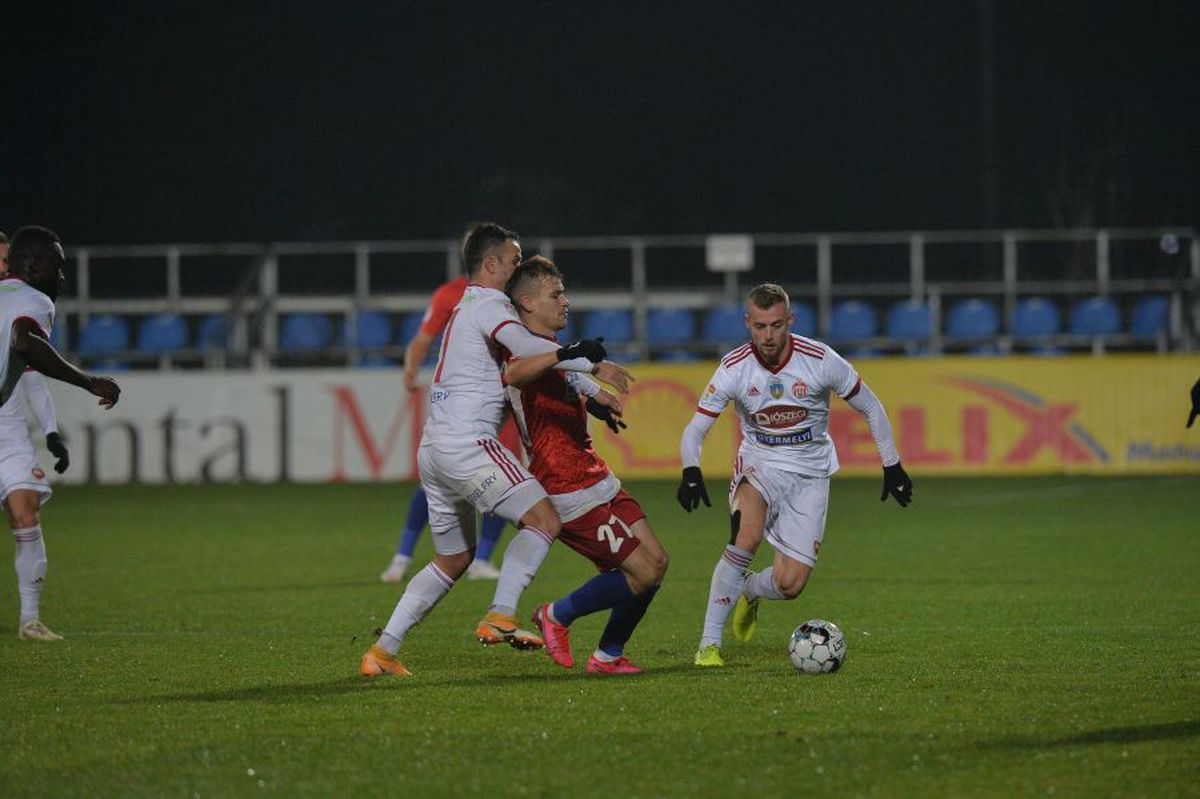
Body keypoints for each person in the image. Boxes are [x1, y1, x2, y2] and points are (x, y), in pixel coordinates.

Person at [360, 223, 629, 677]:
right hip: (469, 442)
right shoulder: (491, 303)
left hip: (435, 448)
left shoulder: (468, 306)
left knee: (453, 558)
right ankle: (501, 615)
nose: (517, 265)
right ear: (490, 264)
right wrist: (592, 360)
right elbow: (527, 352)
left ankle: (382, 652)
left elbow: (533, 362)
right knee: (544, 518)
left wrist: (586, 384)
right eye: (513, 258)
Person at [677, 283, 912, 667]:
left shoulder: (820, 360)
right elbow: (695, 429)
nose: (767, 336)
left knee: (790, 585)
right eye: (759, 326)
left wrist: (892, 464)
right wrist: (690, 471)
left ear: (790, 321)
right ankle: (708, 644)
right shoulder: (734, 368)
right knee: (745, 537)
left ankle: (749, 590)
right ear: (747, 323)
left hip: (810, 474)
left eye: (776, 325)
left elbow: (871, 407)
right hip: (760, 465)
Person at [502, 256, 666, 674]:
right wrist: (579, 361)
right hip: (563, 486)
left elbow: (567, 375)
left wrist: (593, 398)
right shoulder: (519, 347)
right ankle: (556, 614)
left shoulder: (555, 351)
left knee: (657, 563)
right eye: (555, 295)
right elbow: (517, 375)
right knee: (641, 573)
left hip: (594, 473)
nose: (566, 302)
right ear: (526, 302)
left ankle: (608, 655)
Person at [0, 226, 121, 640]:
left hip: (5, 420)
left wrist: (50, 431)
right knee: (24, 512)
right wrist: (89, 382)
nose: (63, 278)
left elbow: (27, 368)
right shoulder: (33, 300)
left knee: (25, 506)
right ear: (34, 265)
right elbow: (25, 341)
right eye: (59, 266)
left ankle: (29, 620)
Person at [379, 268, 521, 583]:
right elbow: (424, 337)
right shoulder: (453, 293)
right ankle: (403, 556)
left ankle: (481, 560)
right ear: (488, 261)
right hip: (463, 397)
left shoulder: (512, 292)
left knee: (504, 472)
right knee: (448, 475)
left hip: (503, 393)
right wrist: (411, 368)